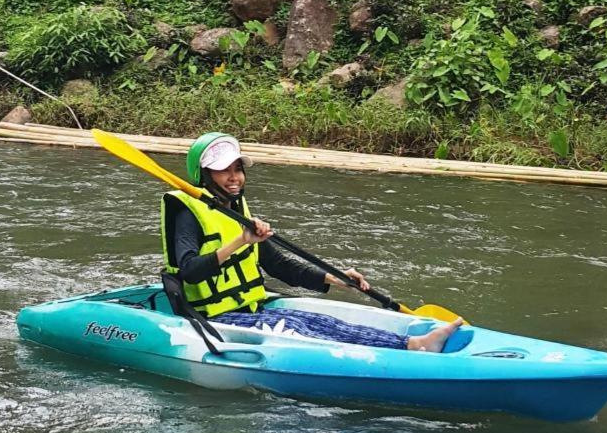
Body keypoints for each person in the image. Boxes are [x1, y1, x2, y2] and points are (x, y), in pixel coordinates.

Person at [161, 132, 464, 352]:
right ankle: (413, 349)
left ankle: (411, 344)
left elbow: (277, 264)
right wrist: (241, 241)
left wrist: (336, 279)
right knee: (301, 330)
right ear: (204, 174)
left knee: (323, 322)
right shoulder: (188, 213)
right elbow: (188, 271)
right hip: (216, 316)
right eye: (224, 170)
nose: (234, 177)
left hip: (251, 307)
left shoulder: (235, 209)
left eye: (237, 168)